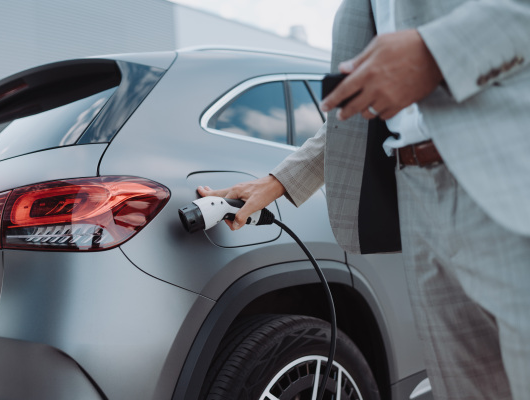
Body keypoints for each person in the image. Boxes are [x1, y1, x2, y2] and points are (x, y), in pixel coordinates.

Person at [198, 0, 530, 398]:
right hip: (416, 197)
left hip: (509, 174)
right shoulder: (358, 8)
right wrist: (276, 182)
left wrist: (435, 51)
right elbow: (350, 120)